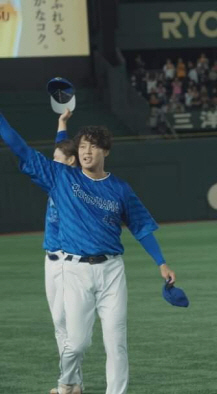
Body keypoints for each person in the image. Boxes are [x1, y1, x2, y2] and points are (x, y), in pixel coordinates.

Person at [0, 114, 177, 394]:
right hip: (75, 272)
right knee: (78, 342)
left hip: (112, 271)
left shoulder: (120, 188)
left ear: (105, 151)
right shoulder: (61, 177)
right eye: (82, 146)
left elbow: (141, 227)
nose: (86, 151)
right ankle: (67, 381)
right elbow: (21, 148)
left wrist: (161, 262)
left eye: (93, 146)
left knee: (116, 342)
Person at [44, 110, 80, 394]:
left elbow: (66, 153)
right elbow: (62, 147)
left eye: (57, 158)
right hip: (50, 259)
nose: (52, 160)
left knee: (67, 323)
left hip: (70, 259)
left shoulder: (74, 183)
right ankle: (74, 382)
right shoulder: (58, 176)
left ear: (70, 162)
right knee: (59, 323)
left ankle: (67, 384)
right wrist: (62, 124)